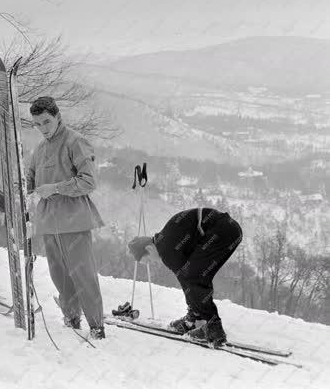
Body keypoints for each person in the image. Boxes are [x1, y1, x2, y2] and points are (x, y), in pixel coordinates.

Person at [27, 96, 106, 340]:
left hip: (74, 219)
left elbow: (89, 181)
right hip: (49, 222)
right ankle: (71, 318)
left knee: (83, 274)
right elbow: (30, 181)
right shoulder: (39, 149)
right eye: (37, 124)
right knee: (59, 274)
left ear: (58, 116)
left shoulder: (75, 141)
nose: (43, 128)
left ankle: (96, 327)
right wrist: (24, 189)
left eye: (46, 122)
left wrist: (56, 188)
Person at [127, 207, 243, 346]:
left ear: (149, 249)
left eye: (149, 259)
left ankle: (213, 328)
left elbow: (187, 280)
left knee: (194, 277)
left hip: (221, 231)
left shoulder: (166, 249)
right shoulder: (165, 240)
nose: (153, 262)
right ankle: (195, 319)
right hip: (229, 229)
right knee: (199, 275)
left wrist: (194, 309)